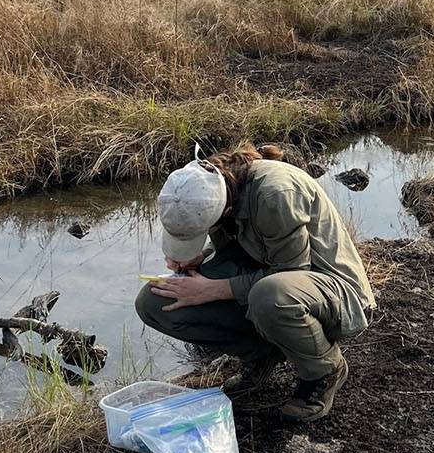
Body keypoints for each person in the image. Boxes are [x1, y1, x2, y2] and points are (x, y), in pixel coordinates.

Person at [135, 143, 374, 423]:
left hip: (334, 292)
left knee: (269, 295)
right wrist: (199, 256)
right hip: (271, 282)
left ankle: (325, 371)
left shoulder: (276, 193)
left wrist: (211, 290)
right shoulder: (212, 185)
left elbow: (289, 273)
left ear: (224, 210)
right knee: (153, 301)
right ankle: (262, 354)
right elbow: (242, 249)